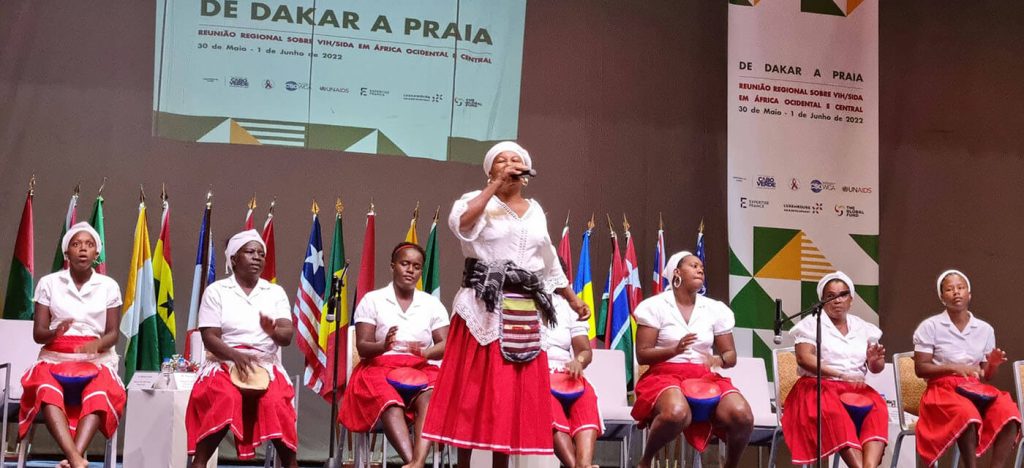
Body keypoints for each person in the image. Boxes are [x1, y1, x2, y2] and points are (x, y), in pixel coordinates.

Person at [420, 141, 590, 468]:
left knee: (509, 394)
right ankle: (463, 464)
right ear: (489, 170)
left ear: (525, 172)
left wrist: (571, 297)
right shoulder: (475, 199)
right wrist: (494, 187)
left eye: (515, 160)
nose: (509, 163)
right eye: (501, 161)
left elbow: (548, 258)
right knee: (474, 392)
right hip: (482, 306)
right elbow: (461, 225)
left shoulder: (535, 210)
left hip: (523, 308)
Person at [186, 230, 298, 467]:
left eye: (261, 253)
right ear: (234, 259)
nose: (257, 257)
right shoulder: (217, 291)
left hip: (265, 366)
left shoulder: (274, 292)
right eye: (250, 252)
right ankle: (200, 462)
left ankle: (290, 463)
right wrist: (235, 356)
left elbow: (286, 336)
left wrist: (272, 331)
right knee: (226, 397)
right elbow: (209, 337)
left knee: (275, 402)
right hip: (223, 363)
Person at [632, 251, 753, 468]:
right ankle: (645, 461)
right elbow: (642, 354)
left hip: (704, 377)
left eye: (701, 268)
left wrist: (719, 360)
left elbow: (731, 355)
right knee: (677, 413)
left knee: (742, 415)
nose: (700, 270)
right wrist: (674, 350)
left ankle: (730, 466)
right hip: (664, 375)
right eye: (693, 266)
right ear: (677, 273)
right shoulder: (656, 306)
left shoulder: (714, 309)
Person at [18, 222, 125, 468]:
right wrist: (56, 332)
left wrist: (96, 344)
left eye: (89, 245)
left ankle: (73, 457)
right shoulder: (48, 283)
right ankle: (77, 460)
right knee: (46, 388)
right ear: (67, 253)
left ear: (97, 253)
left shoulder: (108, 286)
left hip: (96, 360)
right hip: (54, 359)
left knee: (100, 391)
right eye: (76, 244)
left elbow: (113, 334)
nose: (83, 249)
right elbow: (38, 334)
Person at [339, 242, 449, 468]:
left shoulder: (431, 304)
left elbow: (447, 344)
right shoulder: (373, 299)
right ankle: (414, 463)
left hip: (420, 368)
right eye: (405, 264)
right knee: (389, 401)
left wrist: (425, 352)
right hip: (378, 367)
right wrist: (383, 345)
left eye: (416, 266)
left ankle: (417, 463)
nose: (410, 270)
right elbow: (363, 347)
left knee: (432, 395)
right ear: (393, 266)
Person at [912, 269, 1021, 467]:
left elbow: (986, 375)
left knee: (1009, 411)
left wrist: (993, 364)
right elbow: (920, 368)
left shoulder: (985, 329)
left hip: (974, 388)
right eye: (949, 289)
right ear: (942, 297)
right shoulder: (930, 326)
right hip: (942, 390)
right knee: (966, 413)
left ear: (969, 294)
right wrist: (953, 368)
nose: (956, 292)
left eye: (961, 288)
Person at [781, 272, 888, 467]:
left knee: (877, 407)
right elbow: (804, 358)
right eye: (830, 296)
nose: (837, 300)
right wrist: (840, 374)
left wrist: (874, 361)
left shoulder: (864, 328)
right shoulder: (811, 324)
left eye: (843, 295)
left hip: (855, 389)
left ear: (851, 300)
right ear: (822, 301)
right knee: (836, 413)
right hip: (817, 387)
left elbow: (876, 368)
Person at [542, 261, 602, 468]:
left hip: (566, 373)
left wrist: (579, 361)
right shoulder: (523, 303)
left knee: (587, 396)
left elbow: (585, 351)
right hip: (536, 374)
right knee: (547, 404)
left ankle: (583, 464)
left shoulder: (568, 308)